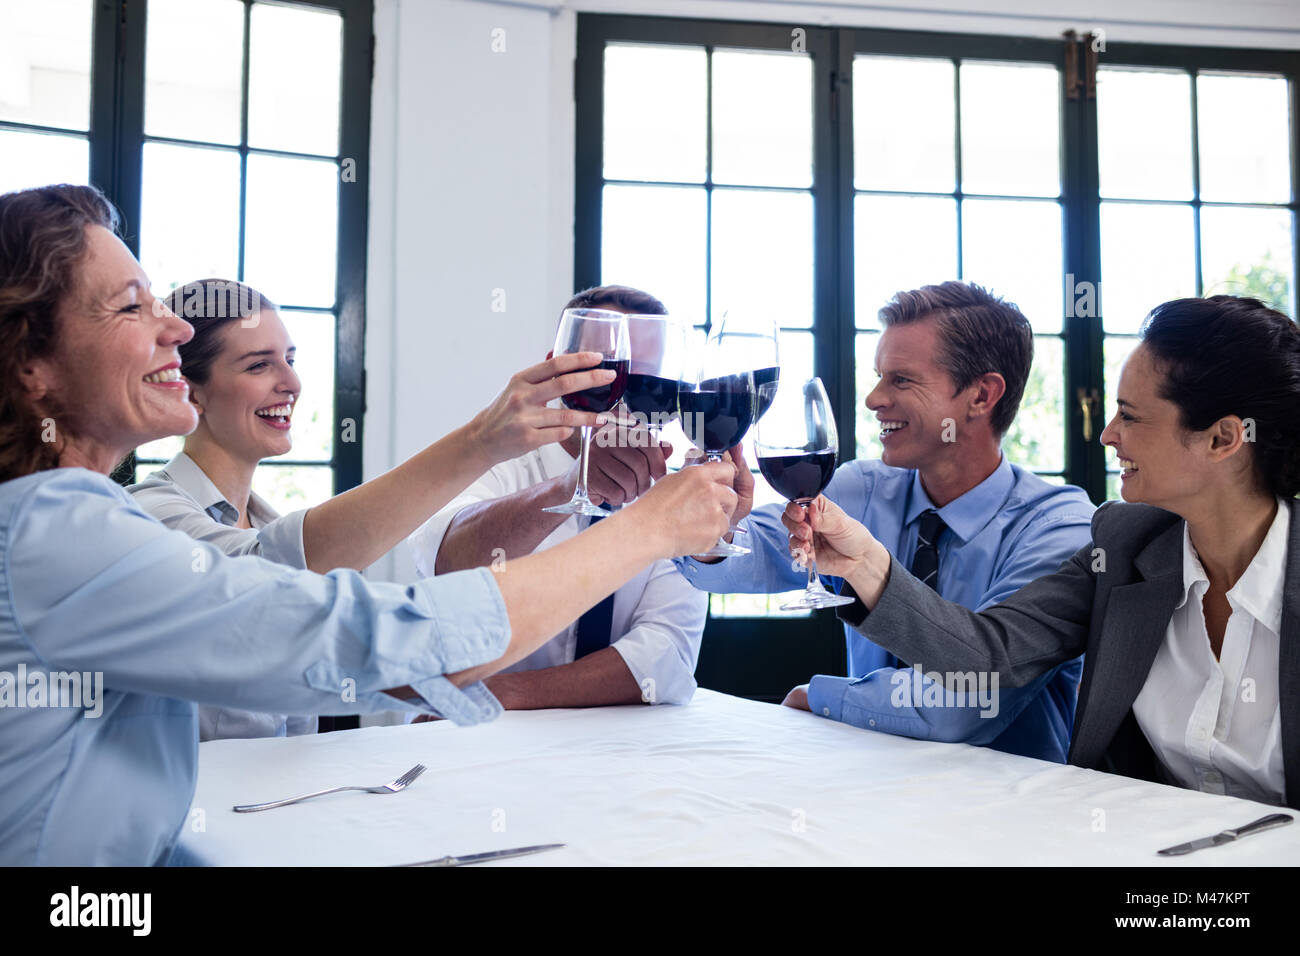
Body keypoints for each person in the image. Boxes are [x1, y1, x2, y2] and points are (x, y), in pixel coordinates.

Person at [0, 184, 738, 864]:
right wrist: (649, 529)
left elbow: (286, 562)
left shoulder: (67, 519)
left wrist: (489, 436)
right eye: (131, 307)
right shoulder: (56, 528)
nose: (175, 325)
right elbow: (360, 636)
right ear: (33, 362)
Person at [787, 294, 1300, 808]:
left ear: (1223, 439)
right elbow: (990, 657)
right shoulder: (1126, 546)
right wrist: (865, 564)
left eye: (1130, 416)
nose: (1106, 435)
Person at [129, 279, 619, 740]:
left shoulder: (265, 520)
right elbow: (268, 568)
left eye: (290, 359)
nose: (291, 382)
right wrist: (481, 441)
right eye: (259, 365)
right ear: (190, 389)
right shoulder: (150, 516)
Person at [678, 282, 1096, 762]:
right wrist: (712, 525)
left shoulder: (1058, 528)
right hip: (869, 788)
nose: (873, 399)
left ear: (982, 395)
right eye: (879, 376)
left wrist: (823, 698)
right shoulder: (863, 489)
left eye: (900, 380)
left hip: (1010, 813)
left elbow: (964, 705)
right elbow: (744, 557)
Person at [411, 285, 706, 709]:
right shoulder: (496, 454)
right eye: (606, 368)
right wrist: (571, 484)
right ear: (556, 369)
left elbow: (666, 657)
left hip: (617, 749)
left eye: (645, 375)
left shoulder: (670, 494)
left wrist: (509, 693)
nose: (623, 388)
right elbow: (446, 562)